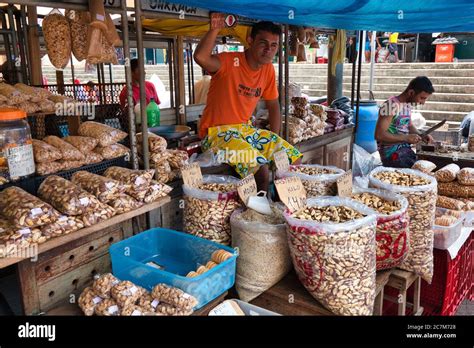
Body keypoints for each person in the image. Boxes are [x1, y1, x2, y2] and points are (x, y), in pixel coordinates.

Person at [194, 18, 302, 191]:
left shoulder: (267, 69)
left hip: (245, 131)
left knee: (292, 158)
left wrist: (274, 139)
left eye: (274, 45)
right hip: (216, 134)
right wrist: (216, 27)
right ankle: (256, 215)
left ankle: (284, 207)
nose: (268, 50)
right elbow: (200, 57)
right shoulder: (229, 61)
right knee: (262, 171)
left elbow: (273, 104)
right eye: (263, 43)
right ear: (250, 41)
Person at [375, 76, 435, 168]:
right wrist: (406, 138)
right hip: (392, 155)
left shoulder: (406, 105)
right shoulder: (391, 105)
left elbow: (409, 125)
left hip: (404, 150)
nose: (423, 103)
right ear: (411, 93)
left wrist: (422, 134)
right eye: (422, 98)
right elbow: (379, 135)